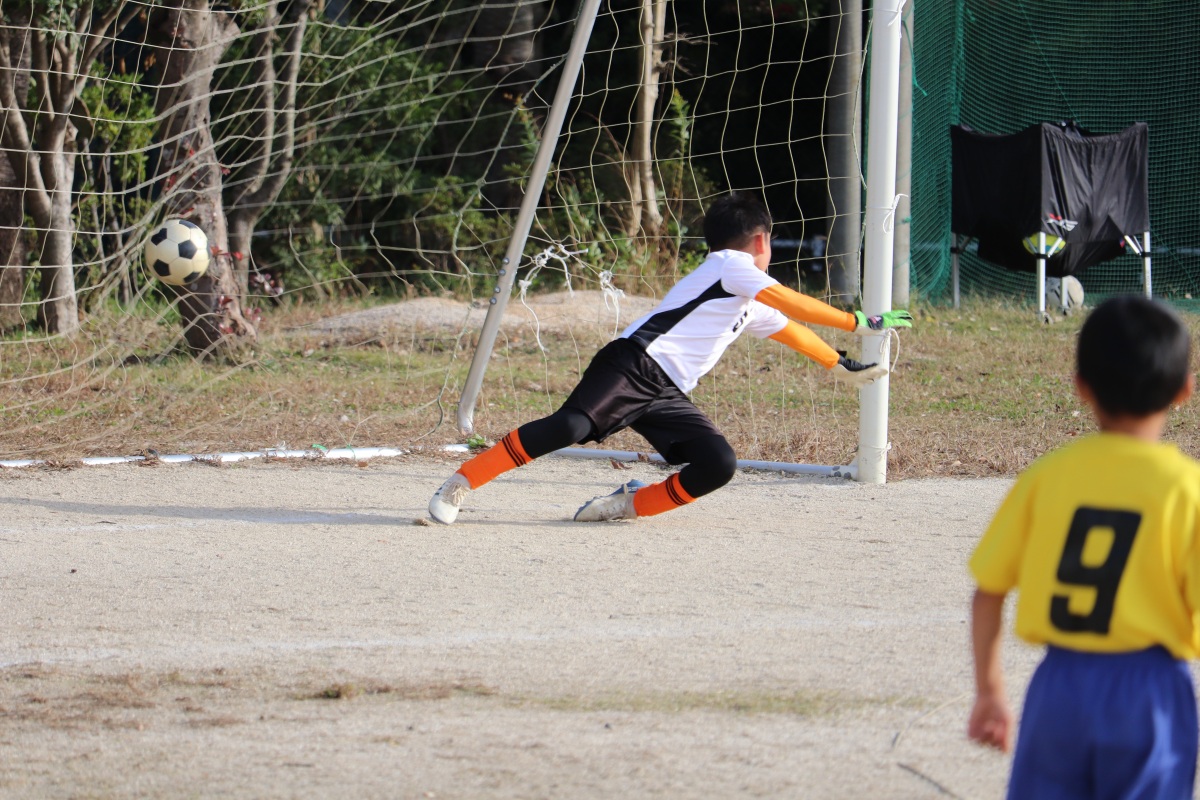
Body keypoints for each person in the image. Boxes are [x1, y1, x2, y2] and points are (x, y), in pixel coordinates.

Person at [428, 192, 913, 525]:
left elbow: (790, 329)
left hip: (666, 391)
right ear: (761, 241)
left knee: (718, 464)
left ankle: (625, 504)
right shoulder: (731, 266)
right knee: (570, 427)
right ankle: (461, 482)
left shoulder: (745, 298)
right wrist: (859, 322)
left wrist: (839, 365)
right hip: (633, 364)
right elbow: (791, 302)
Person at [968, 294, 1200, 798]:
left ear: (1081, 387)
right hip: (1151, 692)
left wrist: (989, 691)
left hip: (1060, 687)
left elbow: (988, 591)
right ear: (1185, 389)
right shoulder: (1187, 490)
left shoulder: (1046, 477)